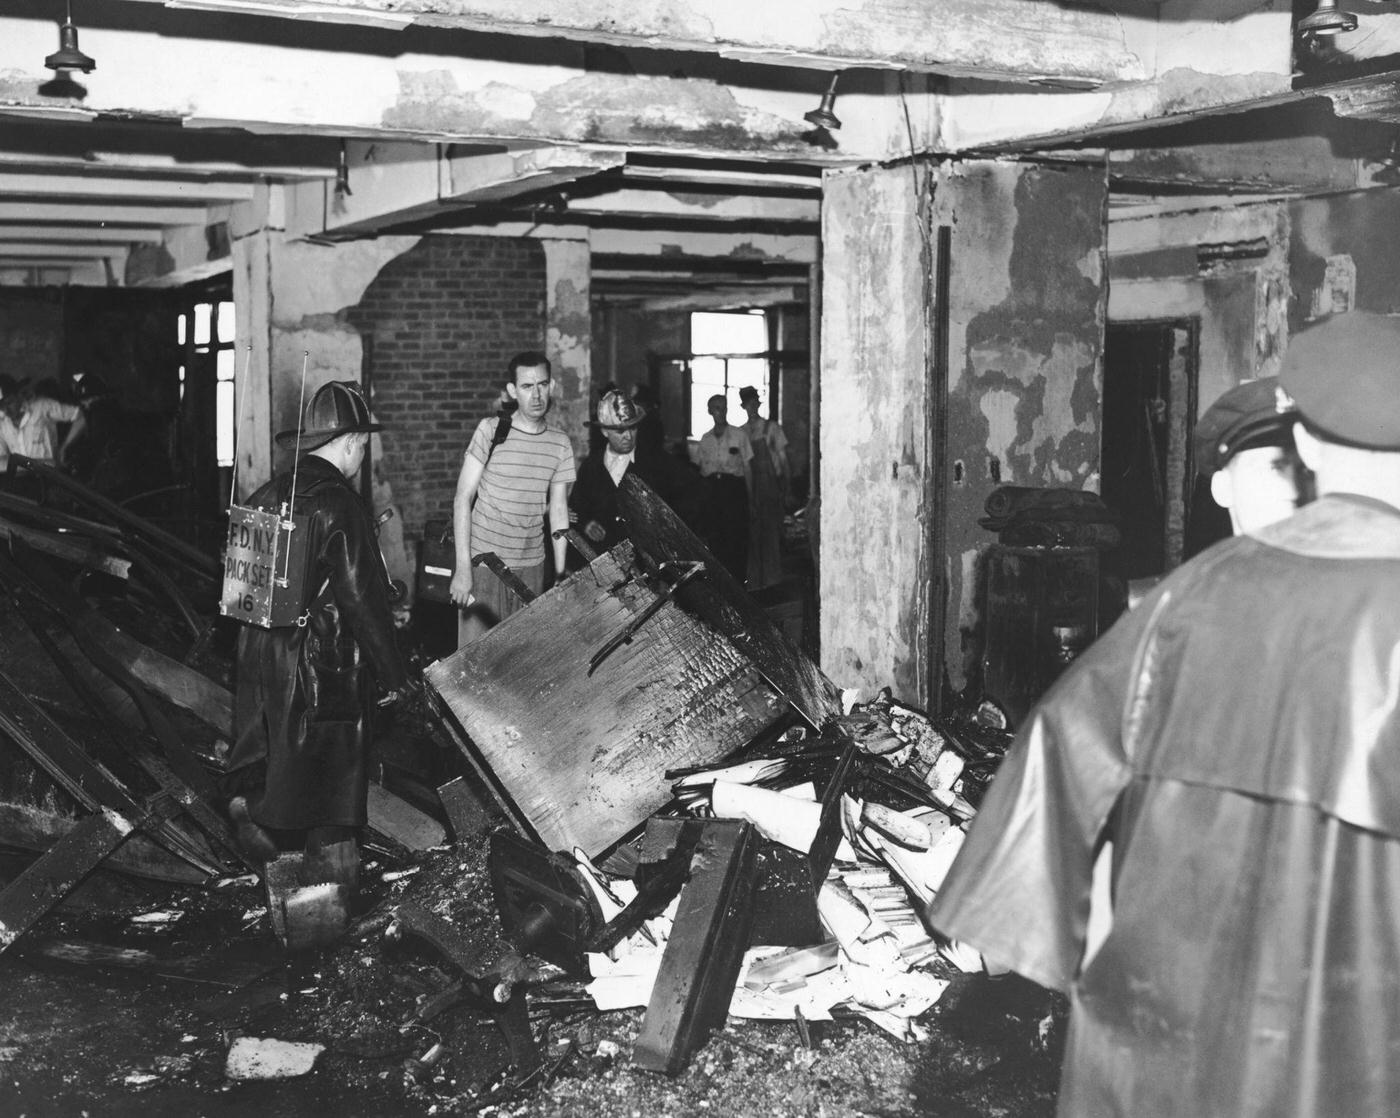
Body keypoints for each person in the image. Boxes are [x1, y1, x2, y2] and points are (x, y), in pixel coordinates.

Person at [928, 311, 1400, 1117]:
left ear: (1308, 447)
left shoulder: (1192, 594)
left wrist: (1040, 931)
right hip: (1358, 1010)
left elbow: (1061, 748)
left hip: (1172, 995)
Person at [225, 381, 408, 911]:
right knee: (330, 792)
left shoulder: (265, 493)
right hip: (317, 665)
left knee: (275, 774)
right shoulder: (339, 503)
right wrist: (396, 679)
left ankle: (263, 841)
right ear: (350, 441)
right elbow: (363, 602)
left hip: (259, 655)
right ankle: (326, 908)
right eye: (362, 442)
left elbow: (242, 591)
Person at [449, 352, 576, 643]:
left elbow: (558, 508)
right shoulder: (491, 431)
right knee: (475, 667)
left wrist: (558, 574)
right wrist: (463, 569)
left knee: (522, 663)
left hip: (531, 569)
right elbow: (462, 498)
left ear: (552, 386)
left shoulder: (560, 443)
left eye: (542, 385)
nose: (536, 395)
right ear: (512, 391)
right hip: (484, 568)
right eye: (527, 386)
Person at [569, 388, 697, 561]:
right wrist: (587, 524)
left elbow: (689, 501)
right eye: (620, 431)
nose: (628, 436)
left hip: (650, 563)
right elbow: (577, 508)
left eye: (633, 428)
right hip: (605, 561)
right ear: (605, 431)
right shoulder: (591, 467)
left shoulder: (659, 463)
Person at [691, 393, 752, 581]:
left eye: (724, 407)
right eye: (717, 408)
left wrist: (750, 497)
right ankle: (719, 582)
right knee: (715, 537)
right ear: (710, 411)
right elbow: (700, 471)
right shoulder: (705, 438)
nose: (721, 412)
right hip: (712, 492)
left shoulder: (739, 435)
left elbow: (748, 468)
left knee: (736, 537)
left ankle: (738, 581)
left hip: (733, 490)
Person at [738, 385, 790, 589]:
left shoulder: (772, 428)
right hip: (750, 488)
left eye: (754, 403)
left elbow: (784, 460)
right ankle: (754, 584)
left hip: (770, 488)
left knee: (771, 535)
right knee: (752, 536)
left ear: (758, 404)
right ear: (743, 406)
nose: (752, 407)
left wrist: (787, 488)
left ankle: (773, 583)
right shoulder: (740, 432)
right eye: (747, 404)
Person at [0, 373, 86, 474]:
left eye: (9, 403)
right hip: (21, 481)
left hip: (48, 475)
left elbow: (80, 416)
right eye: (1, 407)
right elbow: (2, 458)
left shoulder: (42, 407)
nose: (6, 410)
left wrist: (65, 447)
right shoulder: (2, 424)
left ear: (18, 395)